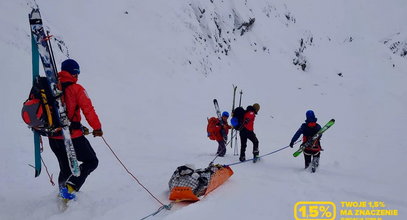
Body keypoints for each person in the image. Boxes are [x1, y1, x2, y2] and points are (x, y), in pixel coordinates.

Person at [48, 59, 103, 199]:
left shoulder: (51, 86)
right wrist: (97, 128)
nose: (77, 77)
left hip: (53, 137)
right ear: (73, 73)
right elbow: (88, 110)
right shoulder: (76, 89)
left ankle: (62, 192)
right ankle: (69, 188)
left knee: (65, 168)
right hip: (71, 138)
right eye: (76, 73)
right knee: (92, 161)